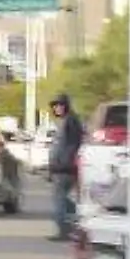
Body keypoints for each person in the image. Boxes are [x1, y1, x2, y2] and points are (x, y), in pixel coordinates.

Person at [48, 93, 86, 241]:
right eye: (55, 105)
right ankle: (75, 222)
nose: (57, 108)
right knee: (63, 198)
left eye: (60, 105)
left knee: (59, 199)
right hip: (63, 166)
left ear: (66, 106)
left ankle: (64, 229)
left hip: (64, 167)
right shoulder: (69, 121)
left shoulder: (70, 122)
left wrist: (63, 162)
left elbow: (71, 145)